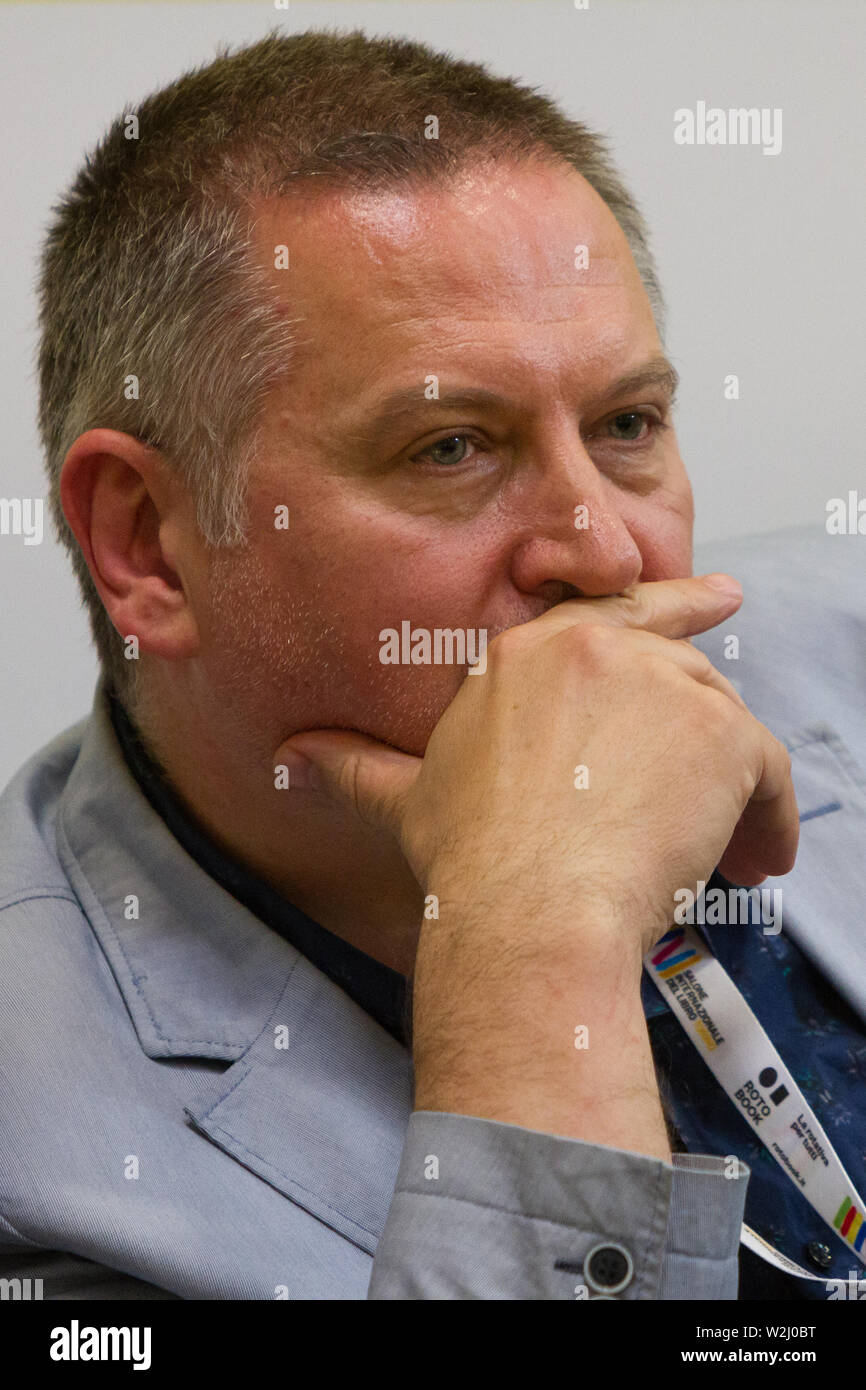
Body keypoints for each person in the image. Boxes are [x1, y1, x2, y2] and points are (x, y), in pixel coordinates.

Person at [0, 28, 859, 1300]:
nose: (604, 547)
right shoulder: (51, 1193)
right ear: (149, 546)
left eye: (625, 424)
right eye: (452, 447)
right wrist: (533, 933)